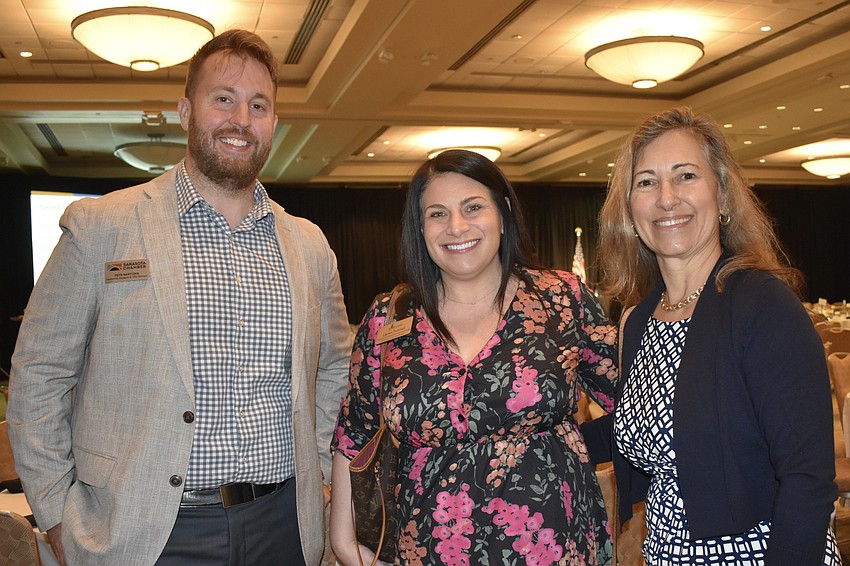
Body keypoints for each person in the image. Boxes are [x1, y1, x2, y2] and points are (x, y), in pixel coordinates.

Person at [7, 30, 352, 566]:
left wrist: (322, 473)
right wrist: (55, 515)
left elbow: (333, 370)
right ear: (185, 111)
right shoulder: (101, 227)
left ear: (274, 123)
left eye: (258, 105)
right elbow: (38, 374)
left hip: (283, 526)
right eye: (223, 99)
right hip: (143, 535)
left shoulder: (309, 246)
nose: (241, 118)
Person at [329, 149, 619, 565]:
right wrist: (344, 540)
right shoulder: (388, 317)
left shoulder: (561, 298)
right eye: (437, 214)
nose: (456, 227)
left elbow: (634, 401)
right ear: (420, 227)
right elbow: (355, 429)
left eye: (473, 207)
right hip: (426, 550)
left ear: (502, 212)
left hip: (553, 546)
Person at [582, 107, 840, 564]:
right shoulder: (640, 320)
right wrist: (519, 439)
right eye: (646, 182)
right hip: (665, 554)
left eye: (685, 176)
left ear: (722, 197)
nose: (666, 198)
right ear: (628, 210)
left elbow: (807, 477)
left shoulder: (762, 304)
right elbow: (647, 426)